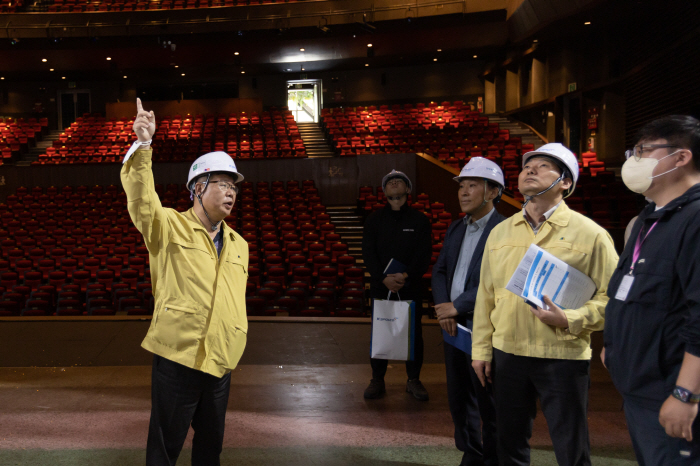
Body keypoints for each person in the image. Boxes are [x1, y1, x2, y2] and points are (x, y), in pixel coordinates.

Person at [471, 143, 619, 466]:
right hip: (507, 354)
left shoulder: (592, 235)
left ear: (566, 182)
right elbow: (486, 296)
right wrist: (481, 349)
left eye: (542, 166)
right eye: (527, 167)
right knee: (508, 445)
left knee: (572, 449)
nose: (530, 170)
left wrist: (571, 319)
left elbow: (615, 299)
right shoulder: (499, 233)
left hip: (562, 357)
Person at [121, 98, 249, 466]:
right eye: (222, 184)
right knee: (164, 450)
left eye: (234, 187)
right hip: (178, 357)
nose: (231, 193)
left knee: (211, 449)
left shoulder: (240, 244)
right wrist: (144, 145)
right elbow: (142, 199)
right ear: (198, 187)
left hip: (220, 360)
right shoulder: (167, 225)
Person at [603, 115, 700, 465]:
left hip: (672, 388)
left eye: (643, 150)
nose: (634, 160)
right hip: (639, 387)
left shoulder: (695, 218)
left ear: (681, 157)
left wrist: (686, 393)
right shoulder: (649, 218)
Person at [431, 157, 505, 466]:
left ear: (492, 191)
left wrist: (457, 305)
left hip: (485, 326)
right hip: (454, 328)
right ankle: (471, 452)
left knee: (488, 398)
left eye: (472, 185)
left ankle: (492, 457)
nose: (463, 192)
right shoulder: (455, 228)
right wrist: (445, 309)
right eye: (461, 186)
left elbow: (499, 280)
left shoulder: (504, 230)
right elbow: (439, 271)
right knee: (459, 397)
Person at [362, 169, 432, 400]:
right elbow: (368, 254)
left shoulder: (420, 220)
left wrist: (405, 275)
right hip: (381, 287)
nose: (393, 182)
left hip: (409, 286)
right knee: (380, 332)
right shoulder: (373, 220)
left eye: (399, 181)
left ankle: (413, 380)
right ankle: (377, 380)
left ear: (408, 190)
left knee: (413, 334)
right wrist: (383, 278)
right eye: (389, 182)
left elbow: (424, 256)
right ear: (383, 192)